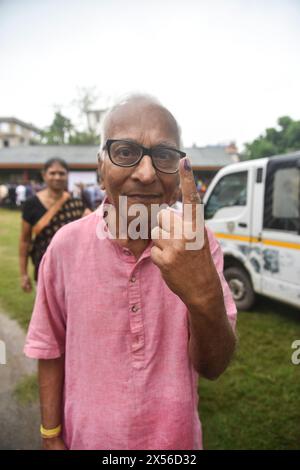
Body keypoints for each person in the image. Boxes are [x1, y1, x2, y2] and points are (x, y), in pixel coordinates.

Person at [24, 95, 237, 450]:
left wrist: (204, 298)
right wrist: (51, 434)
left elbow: (213, 366)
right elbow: (50, 348)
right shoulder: (66, 246)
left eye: (165, 156)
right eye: (125, 152)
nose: (147, 173)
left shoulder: (197, 243)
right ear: (100, 167)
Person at [19, 158, 90, 290]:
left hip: (75, 268)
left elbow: (92, 229)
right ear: (44, 175)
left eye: (61, 173)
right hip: (43, 267)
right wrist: (23, 274)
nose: (57, 177)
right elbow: (25, 240)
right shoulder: (31, 204)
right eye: (52, 173)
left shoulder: (77, 202)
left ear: (67, 175)